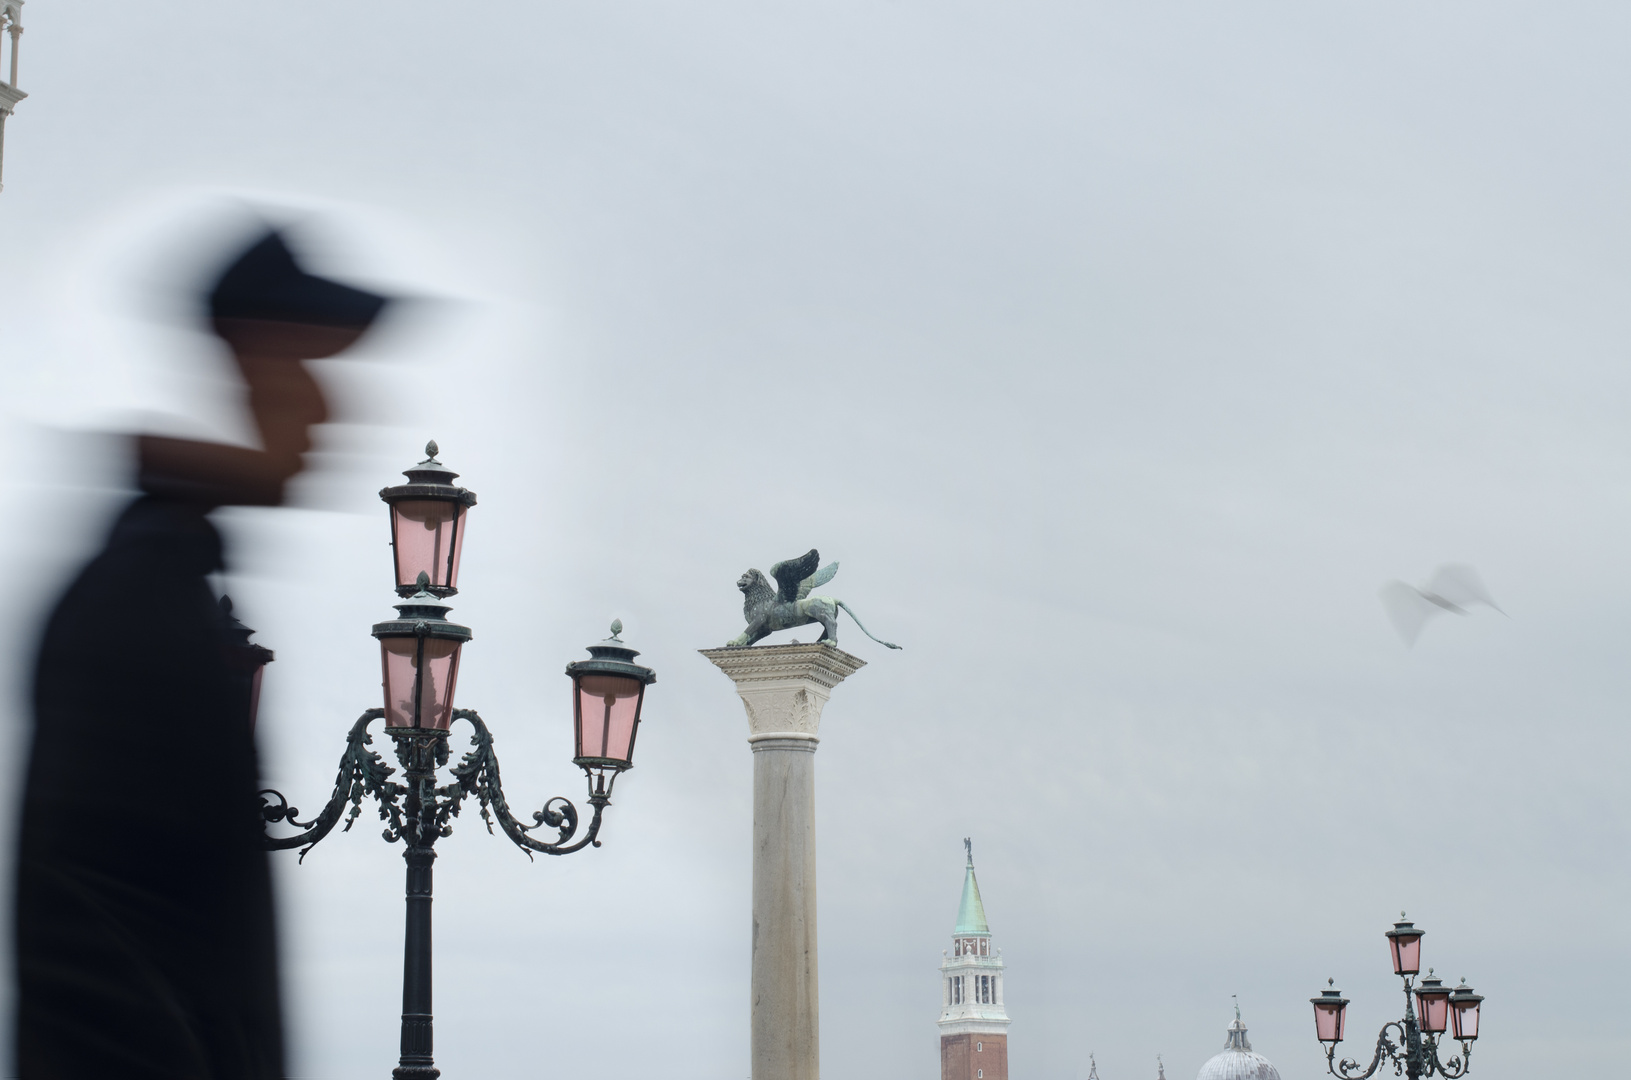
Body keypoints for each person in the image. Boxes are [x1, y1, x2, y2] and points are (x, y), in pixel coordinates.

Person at [14, 227, 392, 1080]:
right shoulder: (137, 597)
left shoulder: (162, 579)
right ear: (239, 364)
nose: (331, 411)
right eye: (308, 367)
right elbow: (103, 952)